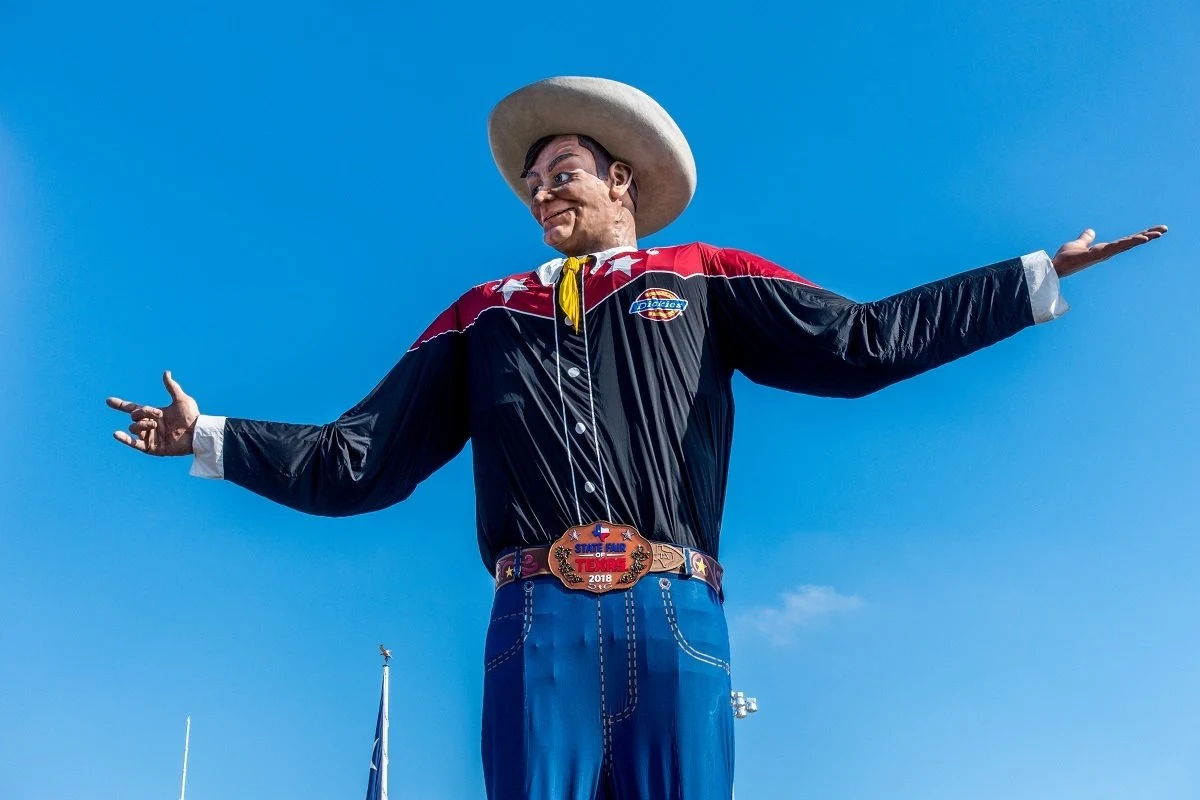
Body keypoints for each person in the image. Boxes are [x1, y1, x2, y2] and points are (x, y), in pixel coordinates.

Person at [106, 76, 1167, 799]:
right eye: (532, 175)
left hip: (676, 614)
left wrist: (1033, 279)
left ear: (622, 181)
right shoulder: (483, 312)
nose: (541, 185)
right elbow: (360, 458)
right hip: (535, 620)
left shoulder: (703, 275)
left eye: (563, 166)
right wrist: (211, 437)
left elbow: (863, 340)